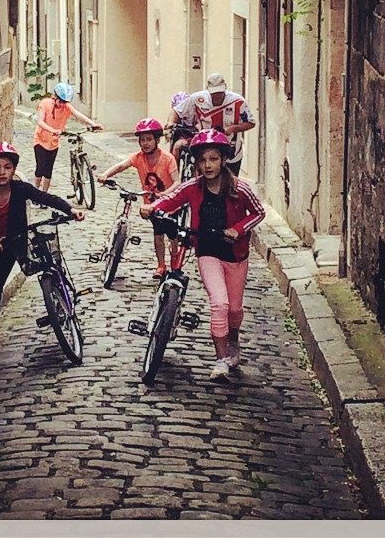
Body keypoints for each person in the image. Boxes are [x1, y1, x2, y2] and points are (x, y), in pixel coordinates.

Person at [139, 128, 265, 381]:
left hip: (235, 254)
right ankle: (220, 360)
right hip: (207, 250)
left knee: (234, 309)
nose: (208, 165)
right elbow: (172, 199)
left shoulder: (240, 188)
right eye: (203, 160)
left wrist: (238, 230)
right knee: (219, 303)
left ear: (223, 160)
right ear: (196, 163)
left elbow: (258, 213)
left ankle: (233, 341)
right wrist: (152, 207)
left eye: (213, 159)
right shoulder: (193, 187)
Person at [0, 141, 85, 364]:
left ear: (13, 169)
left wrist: (70, 209)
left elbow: (47, 198)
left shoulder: (21, 190)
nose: (2, 172)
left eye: (7, 167)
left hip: (11, 247)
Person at [97, 118, 180, 279]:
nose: (145, 143)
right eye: (142, 140)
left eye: (149, 139)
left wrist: (166, 193)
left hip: (170, 204)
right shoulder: (138, 157)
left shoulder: (167, 159)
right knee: (158, 234)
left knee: (172, 234)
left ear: (157, 140)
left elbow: (177, 182)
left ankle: (175, 261)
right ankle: (161, 264)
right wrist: (106, 174)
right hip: (151, 205)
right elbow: (121, 165)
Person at [173, 73, 255, 176]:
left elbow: (251, 122)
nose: (217, 96)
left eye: (219, 92)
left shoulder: (238, 101)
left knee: (230, 182)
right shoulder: (197, 99)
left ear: (225, 88)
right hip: (205, 147)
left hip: (231, 152)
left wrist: (234, 128)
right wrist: (170, 122)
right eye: (214, 93)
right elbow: (176, 111)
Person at [33, 82, 103, 195]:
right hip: (41, 140)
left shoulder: (66, 107)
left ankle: (44, 194)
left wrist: (93, 124)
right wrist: (52, 130)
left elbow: (79, 115)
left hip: (54, 143)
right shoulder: (45, 103)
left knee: (48, 170)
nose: (62, 104)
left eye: (64, 102)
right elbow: (40, 121)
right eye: (60, 101)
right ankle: (35, 192)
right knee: (40, 168)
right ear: (55, 97)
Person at [164, 91, 197, 162]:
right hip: (182, 137)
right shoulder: (175, 115)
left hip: (193, 137)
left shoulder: (194, 113)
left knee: (177, 146)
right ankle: (173, 165)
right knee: (175, 146)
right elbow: (170, 124)